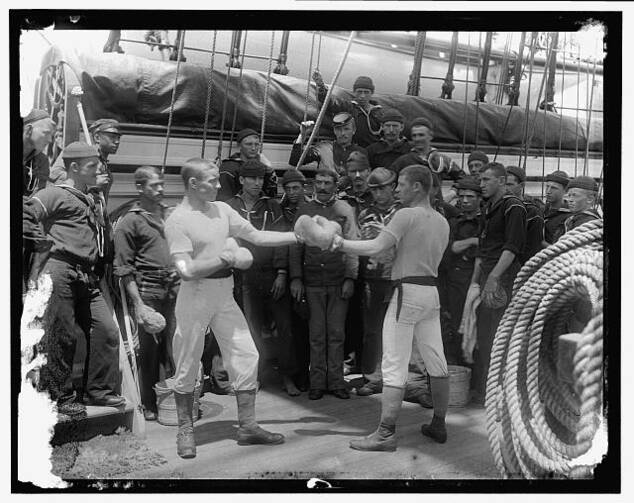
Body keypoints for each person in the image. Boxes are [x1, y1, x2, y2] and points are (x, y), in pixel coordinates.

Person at [164, 158, 301, 458]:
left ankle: (248, 426)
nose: (218, 184)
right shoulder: (177, 220)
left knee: (246, 353)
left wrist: (299, 236)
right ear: (193, 184)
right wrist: (226, 259)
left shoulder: (223, 210)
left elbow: (257, 236)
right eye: (212, 180)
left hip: (224, 293)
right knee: (187, 361)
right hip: (195, 294)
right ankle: (185, 430)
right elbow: (186, 269)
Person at [325, 164, 450, 450]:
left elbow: (374, 247)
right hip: (431, 292)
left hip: (406, 292)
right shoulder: (442, 221)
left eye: (402, 184)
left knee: (393, 363)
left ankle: (385, 433)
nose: (397, 190)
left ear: (417, 187)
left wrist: (339, 243)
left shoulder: (405, 215)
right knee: (436, 360)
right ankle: (439, 424)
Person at [23, 142, 126, 416]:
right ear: (74, 168)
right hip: (59, 269)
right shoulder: (54, 193)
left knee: (106, 329)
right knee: (62, 334)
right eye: (92, 166)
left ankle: (99, 392)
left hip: (86, 275)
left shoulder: (90, 197)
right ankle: (58, 398)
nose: (99, 170)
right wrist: (42, 243)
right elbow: (25, 213)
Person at [225, 159, 299, 396]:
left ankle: (288, 376)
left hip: (272, 274)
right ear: (241, 180)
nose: (257, 183)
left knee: (284, 327)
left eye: (260, 178)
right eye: (252, 178)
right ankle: (257, 376)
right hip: (244, 278)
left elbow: (280, 240)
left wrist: (281, 273)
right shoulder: (230, 206)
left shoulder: (272, 206)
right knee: (251, 328)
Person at [288, 167, 359, 400]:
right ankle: (317, 382)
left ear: (335, 186)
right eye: (319, 182)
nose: (323, 186)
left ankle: (337, 382)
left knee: (337, 334)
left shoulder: (344, 210)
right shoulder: (305, 210)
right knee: (316, 335)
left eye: (328, 183)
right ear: (313, 185)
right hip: (312, 282)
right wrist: (296, 278)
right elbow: (295, 245)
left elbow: (352, 246)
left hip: (338, 280)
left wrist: (350, 277)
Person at [113, 166, 178, 421]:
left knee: (176, 345)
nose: (161, 189)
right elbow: (124, 269)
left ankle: (176, 398)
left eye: (162, 184)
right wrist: (138, 304)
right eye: (154, 185)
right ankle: (150, 403)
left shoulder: (169, 215)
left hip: (175, 286)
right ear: (139, 188)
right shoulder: (130, 221)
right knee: (149, 350)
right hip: (147, 289)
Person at [470, 162, 527, 406]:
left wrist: (493, 278)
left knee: (499, 337)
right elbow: (484, 247)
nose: (481, 184)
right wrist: (477, 282)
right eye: (480, 180)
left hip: (502, 277)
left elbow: (512, 247)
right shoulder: (489, 207)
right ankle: (487, 391)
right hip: (487, 276)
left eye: (486, 180)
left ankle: (501, 394)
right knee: (484, 336)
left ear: (502, 182)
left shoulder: (513, 207)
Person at [355, 168, 402, 396]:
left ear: (393, 187)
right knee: (372, 330)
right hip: (373, 278)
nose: (378, 193)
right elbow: (363, 246)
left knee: (399, 330)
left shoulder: (403, 212)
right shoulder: (365, 214)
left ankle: (397, 378)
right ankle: (373, 377)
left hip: (398, 277)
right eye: (374, 189)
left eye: (382, 188)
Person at [443, 177, 484, 363]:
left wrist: (464, 247)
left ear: (479, 199)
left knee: (475, 329)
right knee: (454, 326)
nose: (465, 200)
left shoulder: (485, 222)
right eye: (462, 196)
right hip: (453, 282)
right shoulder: (453, 222)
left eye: (470, 196)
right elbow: (447, 249)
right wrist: (471, 242)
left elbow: (483, 252)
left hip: (476, 281)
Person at [278, 168, 311, 391]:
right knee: (291, 328)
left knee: (310, 328)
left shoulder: (311, 209)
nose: (291, 192)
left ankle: (308, 374)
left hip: (311, 274)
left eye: (296, 188)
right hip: (289, 274)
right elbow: (283, 243)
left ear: (304, 187)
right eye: (288, 189)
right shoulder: (281, 211)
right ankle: (294, 375)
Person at [312, 72, 383, 147]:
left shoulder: (379, 112)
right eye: (359, 92)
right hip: (354, 151)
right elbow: (329, 104)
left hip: (374, 151)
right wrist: (321, 87)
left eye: (366, 92)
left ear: (372, 93)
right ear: (354, 92)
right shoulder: (348, 107)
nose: (362, 96)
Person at [389, 117, 464, 187]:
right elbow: (388, 180)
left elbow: (463, 179)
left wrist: (452, 193)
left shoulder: (442, 160)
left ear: (430, 136)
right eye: (414, 136)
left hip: (436, 200)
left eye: (421, 135)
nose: (417, 139)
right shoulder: (403, 161)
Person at [289, 113, 367, 176]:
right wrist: (302, 136)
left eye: (346, 129)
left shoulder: (361, 153)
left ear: (354, 130)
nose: (343, 133)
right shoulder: (323, 147)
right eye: (338, 129)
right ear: (334, 131)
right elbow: (295, 161)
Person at [217, 128, 277, 202]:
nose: (253, 148)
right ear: (239, 145)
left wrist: (270, 172)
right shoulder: (228, 168)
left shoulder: (262, 166)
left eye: (256, 144)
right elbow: (223, 198)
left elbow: (271, 195)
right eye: (248, 144)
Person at [505, 165, 545, 264]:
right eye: (503, 184)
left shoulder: (532, 213)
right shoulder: (498, 209)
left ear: (522, 186)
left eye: (509, 184)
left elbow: (534, 248)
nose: (505, 188)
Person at [23, 109, 55, 198]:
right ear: (29, 130)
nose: (50, 140)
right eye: (46, 133)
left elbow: (38, 194)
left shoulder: (42, 161)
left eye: (51, 135)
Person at [542, 170, 570, 246]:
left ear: (566, 191)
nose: (548, 191)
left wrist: (540, 242)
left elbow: (563, 249)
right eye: (547, 186)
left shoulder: (569, 217)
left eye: (554, 188)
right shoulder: (541, 210)